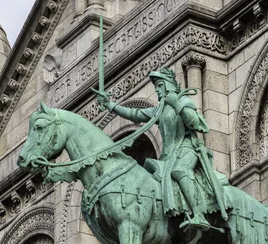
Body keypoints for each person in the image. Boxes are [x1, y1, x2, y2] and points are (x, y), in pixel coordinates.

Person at [96, 68, 226, 231]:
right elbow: (134, 114)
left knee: (180, 170)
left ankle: (199, 214)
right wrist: (111, 105)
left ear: (168, 85)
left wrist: (177, 105)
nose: (156, 89)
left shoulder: (184, 101)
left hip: (187, 148)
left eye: (159, 85)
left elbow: (197, 124)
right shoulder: (159, 109)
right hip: (168, 155)